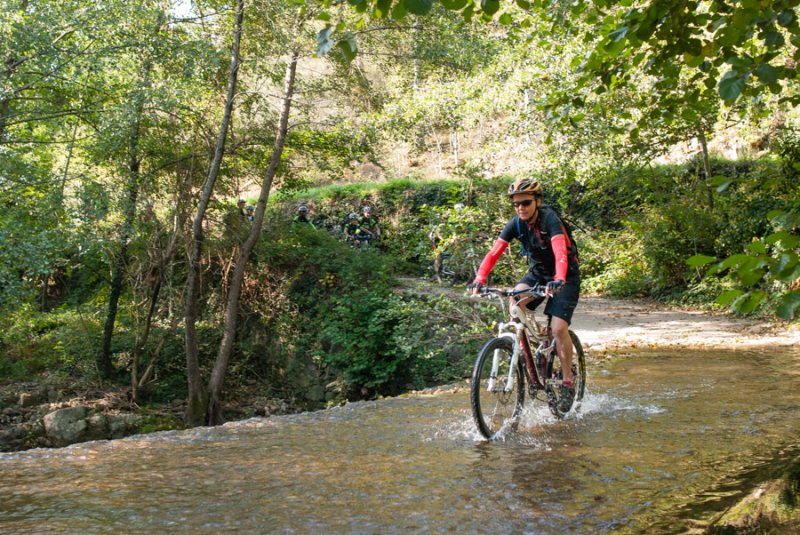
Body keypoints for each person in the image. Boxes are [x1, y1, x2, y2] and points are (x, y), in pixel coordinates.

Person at [469, 178, 580, 413]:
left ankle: (568, 382)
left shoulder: (550, 219)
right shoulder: (516, 224)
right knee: (515, 300)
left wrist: (559, 279)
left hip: (565, 275)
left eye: (526, 202)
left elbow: (560, 251)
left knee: (559, 328)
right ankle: (536, 343)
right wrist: (479, 280)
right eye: (516, 204)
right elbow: (493, 253)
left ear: (538, 201)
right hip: (539, 274)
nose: (521, 208)